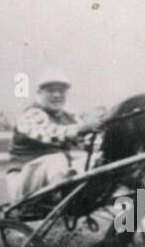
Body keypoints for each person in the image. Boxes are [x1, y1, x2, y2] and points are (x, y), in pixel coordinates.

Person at [7, 74, 103, 202]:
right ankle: (64, 201)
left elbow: (91, 143)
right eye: (51, 91)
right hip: (23, 182)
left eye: (61, 91)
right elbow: (51, 134)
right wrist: (82, 129)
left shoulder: (70, 118)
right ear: (39, 93)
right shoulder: (30, 115)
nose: (57, 95)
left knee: (94, 159)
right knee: (57, 160)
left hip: (51, 177)